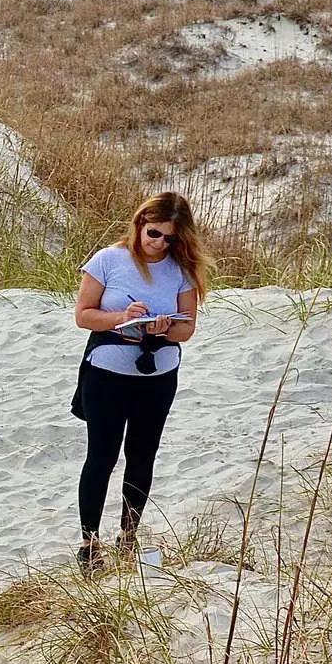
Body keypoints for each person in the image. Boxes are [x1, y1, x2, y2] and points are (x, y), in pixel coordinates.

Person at [71, 191, 205, 572]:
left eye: (169, 238)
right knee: (102, 455)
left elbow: (187, 329)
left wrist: (163, 327)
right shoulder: (108, 260)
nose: (159, 243)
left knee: (142, 455)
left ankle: (128, 537)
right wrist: (122, 317)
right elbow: (83, 315)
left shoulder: (181, 269)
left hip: (158, 374)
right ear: (139, 224)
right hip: (107, 372)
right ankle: (89, 544)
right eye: (154, 233)